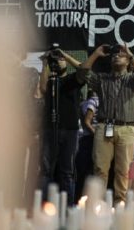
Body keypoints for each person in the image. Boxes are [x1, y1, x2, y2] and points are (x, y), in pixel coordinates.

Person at [77, 44, 134, 203]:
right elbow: (82, 72)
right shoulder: (102, 78)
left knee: (123, 171)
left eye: (121, 55)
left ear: (128, 62)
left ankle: (119, 205)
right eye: (114, 55)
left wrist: (130, 54)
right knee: (100, 170)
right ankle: (98, 205)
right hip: (104, 127)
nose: (116, 56)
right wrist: (95, 54)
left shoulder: (133, 79)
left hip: (127, 128)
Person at [38, 47, 84, 204]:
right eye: (56, 59)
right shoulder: (51, 80)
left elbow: (83, 69)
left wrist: (65, 55)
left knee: (67, 172)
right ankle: (43, 208)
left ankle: (68, 208)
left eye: (61, 59)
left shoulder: (73, 79)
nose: (58, 60)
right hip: (50, 129)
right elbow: (42, 88)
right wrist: (46, 63)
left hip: (70, 131)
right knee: (45, 170)